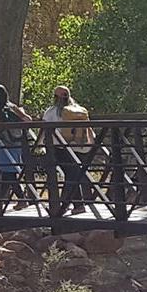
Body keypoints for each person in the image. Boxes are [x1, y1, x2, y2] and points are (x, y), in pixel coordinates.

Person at [43, 85, 94, 214]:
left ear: (55, 98)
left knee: (70, 176)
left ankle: (62, 206)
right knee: (72, 175)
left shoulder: (52, 112)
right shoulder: (79, 110)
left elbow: (44, 129)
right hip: (80, 147)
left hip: (61, 148)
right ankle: (78, 205)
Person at [0, 83, 31, 209]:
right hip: (16, 142)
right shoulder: (12, 107)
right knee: (8, 171)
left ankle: (21, 198)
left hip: (2, 143)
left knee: (8, 172)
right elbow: (28, 120)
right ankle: (1, 200)